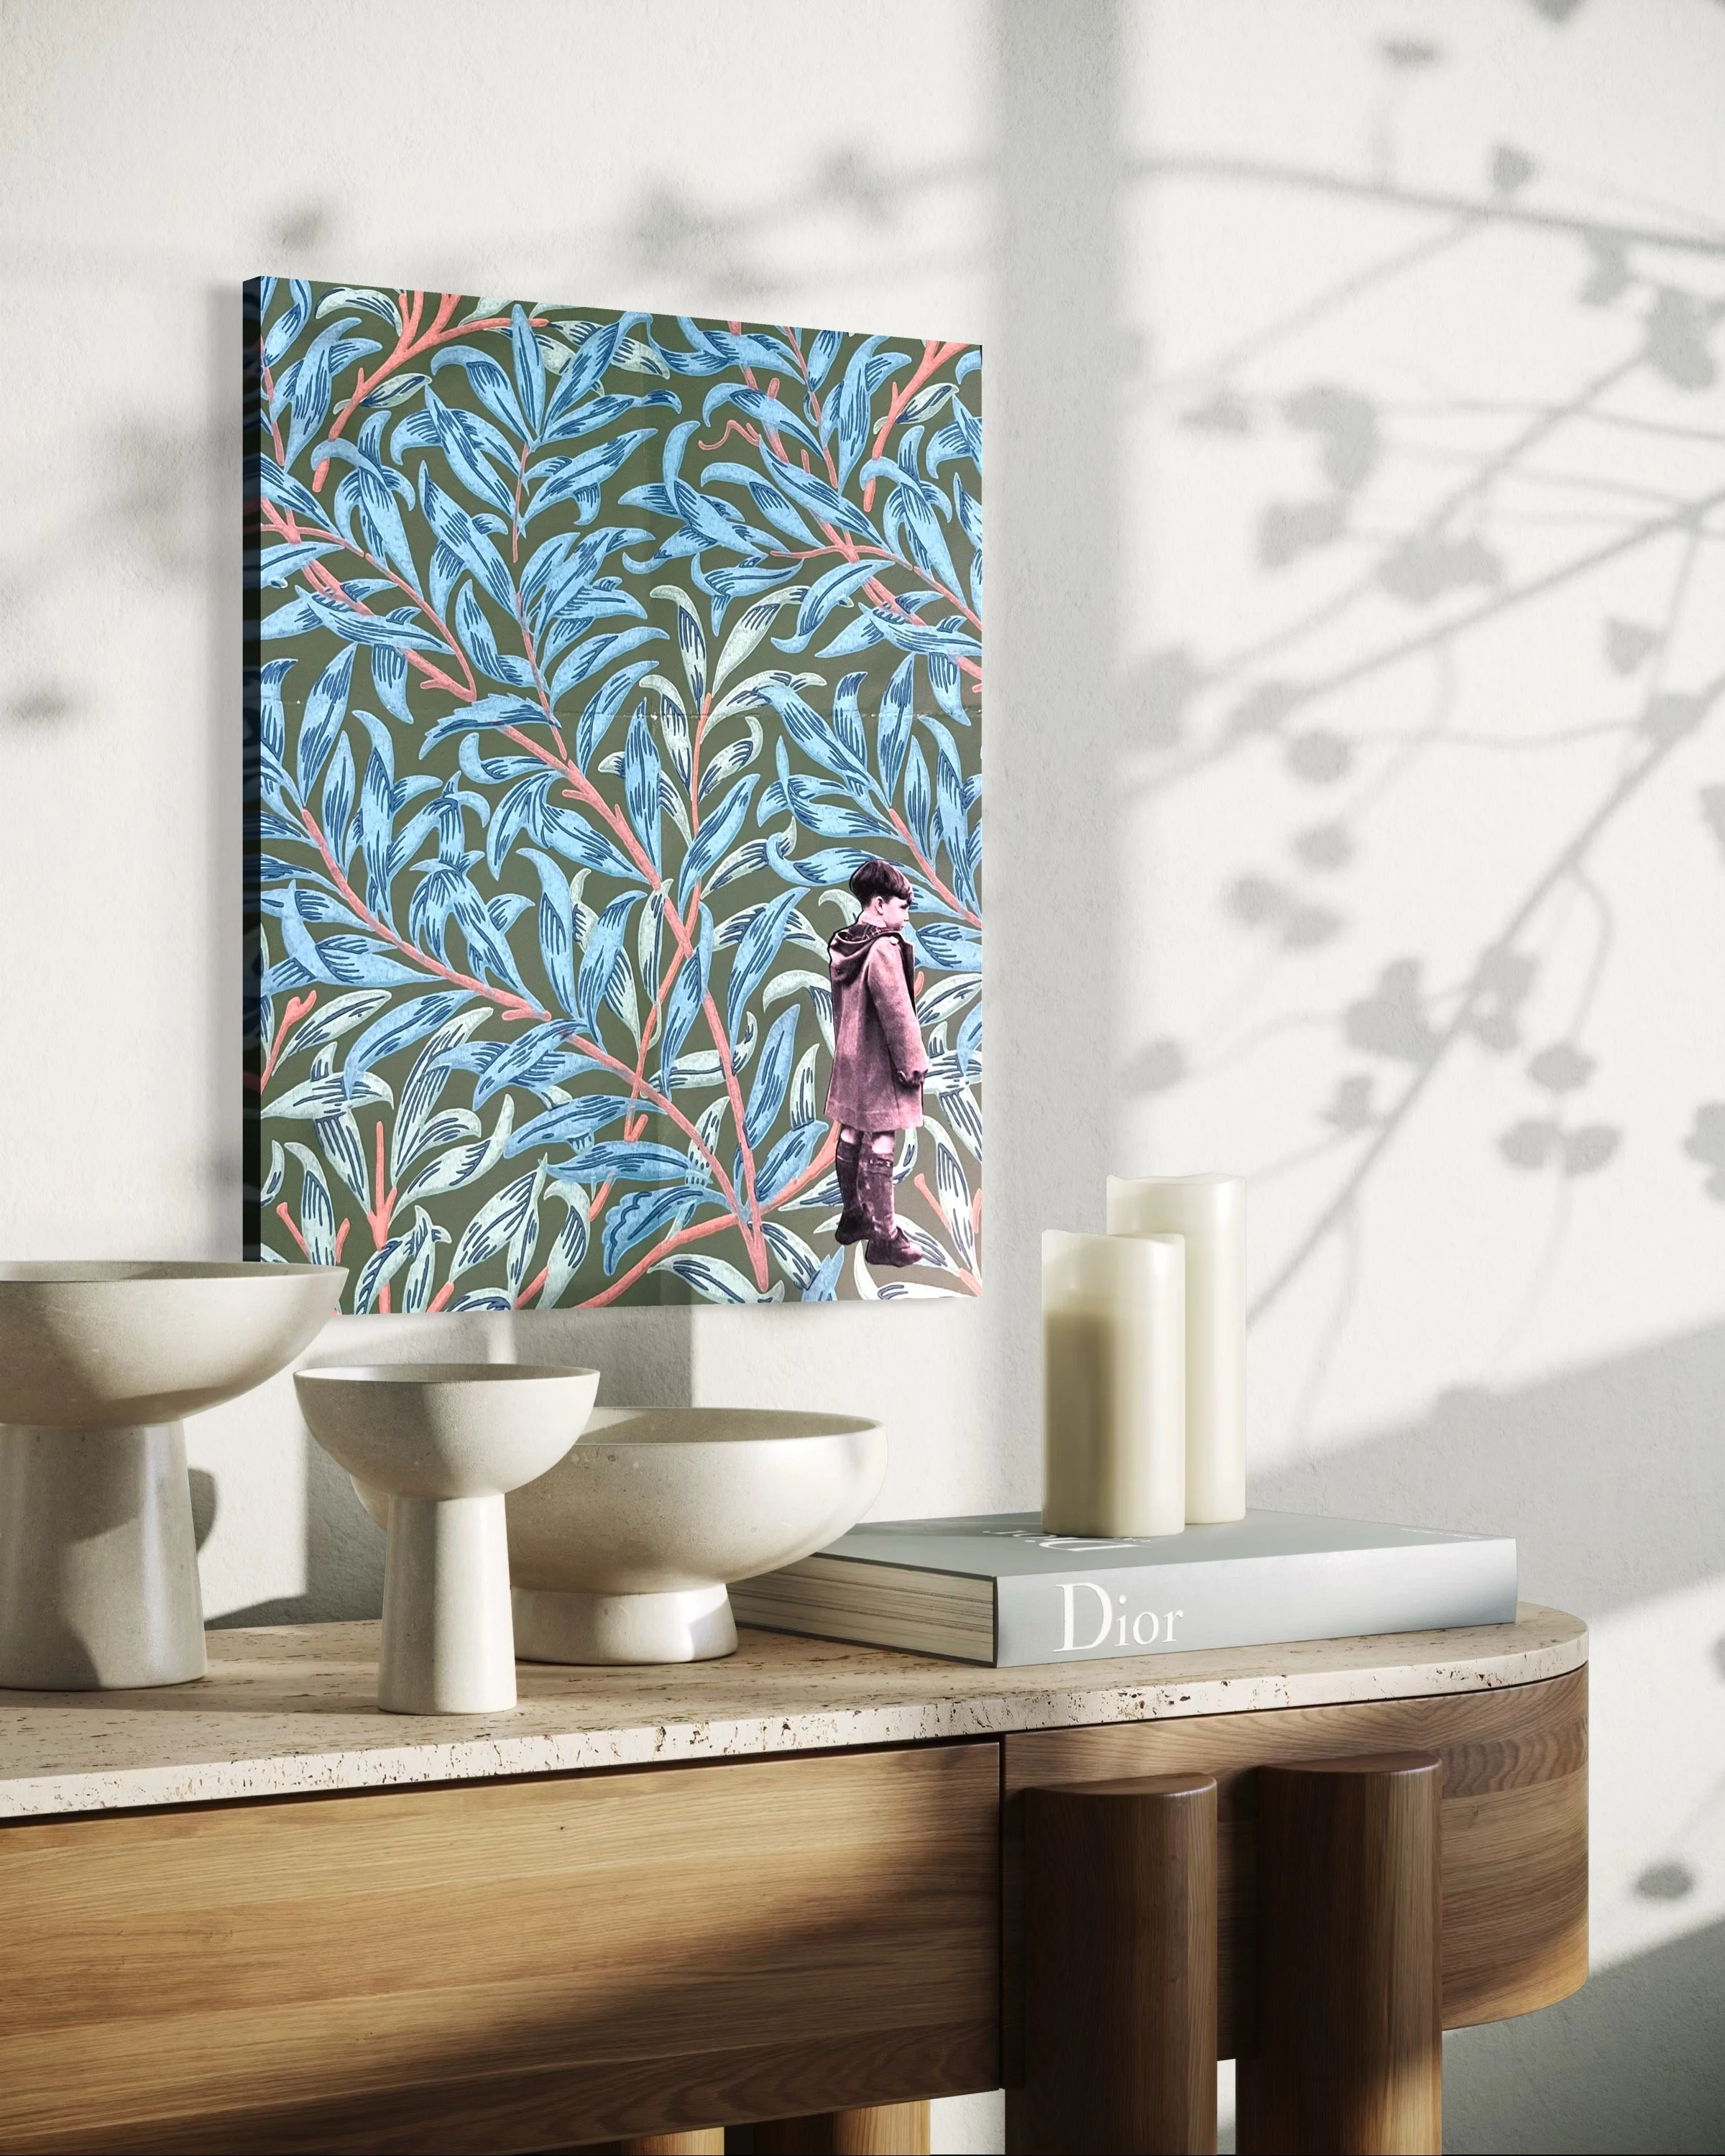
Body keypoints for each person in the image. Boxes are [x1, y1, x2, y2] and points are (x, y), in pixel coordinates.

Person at [825, 858, 928, 1268]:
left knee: (851, 1131)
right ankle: (883, 1236)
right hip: (880, 1061)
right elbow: (897, 1012)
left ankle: (853, 1217)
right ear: (880, 904)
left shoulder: (847, 944)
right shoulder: (883, 948)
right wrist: (913, 1062)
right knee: (883, 1138)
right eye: (903, 907)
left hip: (851, 1057)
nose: (906, 915)